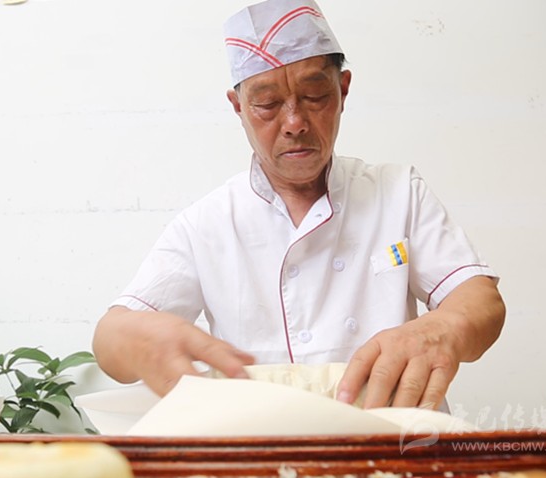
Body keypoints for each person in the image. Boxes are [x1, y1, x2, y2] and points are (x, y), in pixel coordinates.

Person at [92, 0, 505, 411]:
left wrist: (441, 329)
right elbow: (110, 336)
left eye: (314, 95)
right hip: (264, 443)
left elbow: (481, 301)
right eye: (267, 104)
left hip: (394, 439)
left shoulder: (398, 192)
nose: (294, 123)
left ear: (343, 90)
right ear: (238, 107)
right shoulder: (207, 224)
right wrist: (136, 342)